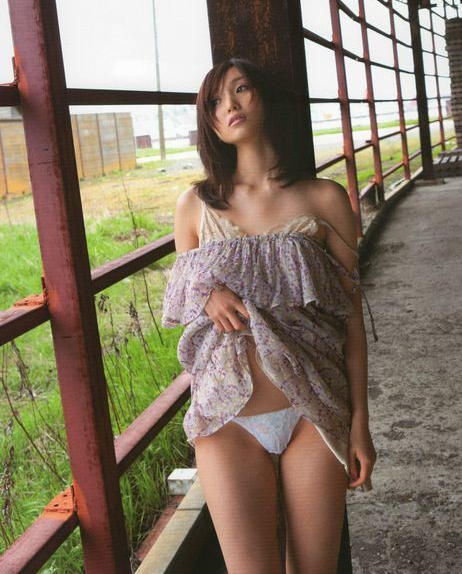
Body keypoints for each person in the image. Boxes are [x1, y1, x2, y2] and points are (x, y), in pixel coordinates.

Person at [162, 57, 377, 573]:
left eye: (240, 90)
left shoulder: (324, 198)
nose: (229, 105)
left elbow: (350, 319)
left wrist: (361, 424)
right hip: (226, 420)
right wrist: (207, 294)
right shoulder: (195, 205)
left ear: (264, 98)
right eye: (215, 101)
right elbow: (183, 291)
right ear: (209, 121)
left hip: (313, 411)